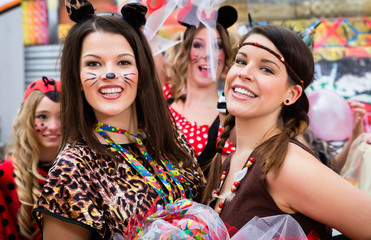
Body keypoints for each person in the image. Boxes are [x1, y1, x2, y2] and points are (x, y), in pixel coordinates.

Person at [32, 1, 205, 240]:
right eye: (93, 64)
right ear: (77, 77)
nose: (109, 75)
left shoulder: (172, 142)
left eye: (123, 62)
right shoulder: (72, 168)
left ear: (141, 70)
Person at [202, 24, 371, 239]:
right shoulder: (229, 161)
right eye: (241, 61)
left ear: (291, 94)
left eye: (266, 69)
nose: (244, 73)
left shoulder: (286, 165)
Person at [161, 4, 238, 174]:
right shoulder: (163, 96)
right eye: (198, 45)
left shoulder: (229, 118)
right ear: (184, 52)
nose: (208, 54)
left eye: (216, 46)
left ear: (225, 57)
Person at [0, 76, 61, 239]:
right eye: (42, 116)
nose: (54, 126)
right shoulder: (3, 175)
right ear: (27, 119)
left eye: (62, 116)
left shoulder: (82, 170)